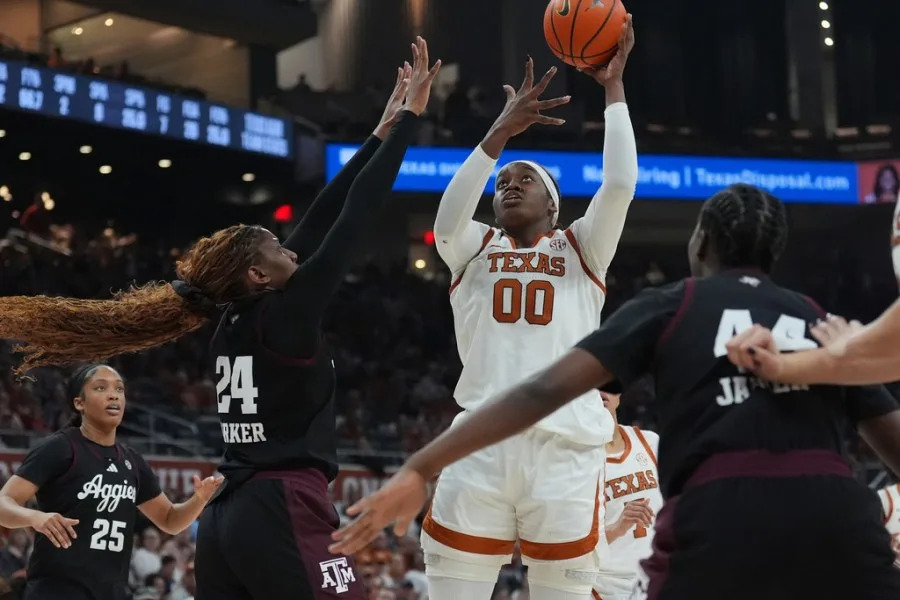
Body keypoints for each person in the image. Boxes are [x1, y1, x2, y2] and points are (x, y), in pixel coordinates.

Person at [0, 37, 439, 600]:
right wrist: (410, 123)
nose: (294, 251)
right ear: (259, 275)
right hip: (282, 501)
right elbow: (353, 216)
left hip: (229, 513)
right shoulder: (285, 315)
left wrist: (378, 133)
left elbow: (322, 210)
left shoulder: (237, 314)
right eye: (280, 249)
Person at [330, 183, 900, 599]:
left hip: (721, 516)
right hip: (837, 522)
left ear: (699, 244)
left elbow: (539, 392)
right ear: (774, 255)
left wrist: (421, 465)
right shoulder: (825, 324)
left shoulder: (670, 304)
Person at [412, 16, 636, 600]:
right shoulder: (475, 247)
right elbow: (445, 220)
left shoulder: (582, 247)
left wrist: (613, 90)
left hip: (564, 446)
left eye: (522, 180)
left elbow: (618, 185)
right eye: (501, 182)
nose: (507, 185)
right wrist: (496, 139)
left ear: (553, 206)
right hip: (479, 443)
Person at [0, 364, 221, 600]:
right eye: (100, 388)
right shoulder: (60, 448)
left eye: (119, 389)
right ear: (79, 403)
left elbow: (169, 520)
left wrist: (198, 500)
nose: (114, 394)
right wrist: (36, 517)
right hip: (58, 591)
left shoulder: (132, 460)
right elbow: (3, 503)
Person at [594, 390, 661, 600]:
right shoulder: (577, 460)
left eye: (607, 384)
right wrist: (618, 527)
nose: (600, 390)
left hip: (656, 575)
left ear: (619, 394)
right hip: (607, 587)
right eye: (591, 386)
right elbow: (574, 544)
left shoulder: (650, 442)